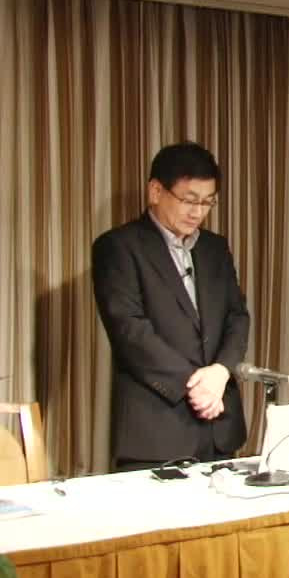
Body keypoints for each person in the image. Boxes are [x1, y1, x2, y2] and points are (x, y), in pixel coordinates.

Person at [92, 142, 250, 471]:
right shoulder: (119, 247)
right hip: (157, 428)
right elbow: (130, 330)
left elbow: (237, 317)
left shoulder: (215, 248)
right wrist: (195, 386)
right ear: (156, 191)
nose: (198, 212)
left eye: (207, 202)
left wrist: (220, 372)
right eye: (189, 200)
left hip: (219, 424)